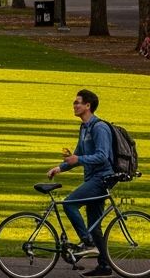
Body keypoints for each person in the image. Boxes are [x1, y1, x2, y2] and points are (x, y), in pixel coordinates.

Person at [45, 89, 115, 278]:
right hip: (92, 178)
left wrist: (79, 159)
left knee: (69, 203)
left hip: (102, 178)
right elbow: (76, 156)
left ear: (88, 106)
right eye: (74, 103)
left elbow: (102, 156)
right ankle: (104, 266)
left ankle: (87, 242)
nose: (74, 106)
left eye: (77, 103)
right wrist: (59, 168)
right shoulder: (84, 128)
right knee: (95, 224)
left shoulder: (99, 127)